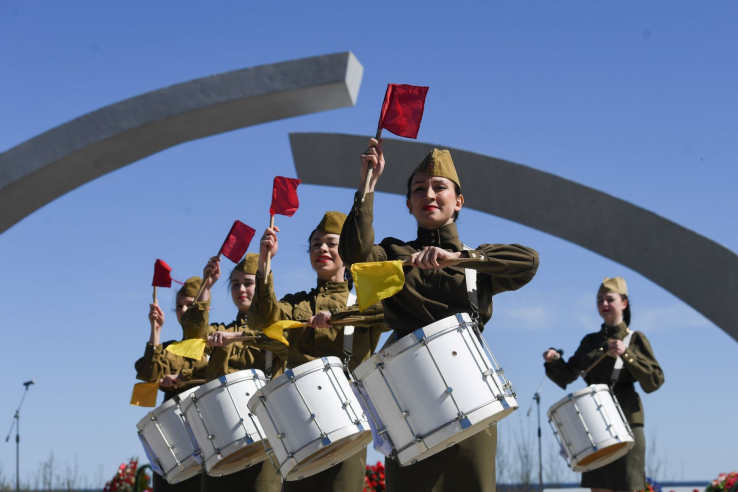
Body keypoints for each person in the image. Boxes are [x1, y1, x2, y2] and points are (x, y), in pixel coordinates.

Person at [339, 140, 539, 492]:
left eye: (439, 187)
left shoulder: (477, 260)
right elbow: (354, 256)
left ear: (458, 202)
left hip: (472, 398)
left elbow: (529, 262)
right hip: (407, 402)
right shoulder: (392, 253)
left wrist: (459, 258)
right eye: (419, 189)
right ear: (409, 205)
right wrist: (367, 186)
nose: (428, 194)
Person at [249, 211, 387, 492]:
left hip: (347, 418)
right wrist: (265, 260)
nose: (321, 249)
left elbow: (388, 311)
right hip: (299, 415)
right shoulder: (297, 303)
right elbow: (263, 320)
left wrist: (338, 315)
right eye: (315, 244)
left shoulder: (364, 298)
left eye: (331, 243)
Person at [543, 277, 664, 492]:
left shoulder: (634, 339)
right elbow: (568, 375)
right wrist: (553, 361)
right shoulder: (590, 341)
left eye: (610, 299)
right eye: (600, 300)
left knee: (630, 485)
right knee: (599, 487)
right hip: (594, 423)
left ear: (624, 304)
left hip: (628, 420)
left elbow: (654, 380)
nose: (604, 305)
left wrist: (627, 355)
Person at [181, 253, 287, 492]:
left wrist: (238, 337)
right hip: (219, 439)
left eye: (248, 283)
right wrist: (207, 286)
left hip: (264, 439)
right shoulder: (219, 331)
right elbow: (193, 336)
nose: (241, 289)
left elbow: (277, 340)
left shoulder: (277, 325)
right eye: (235, 284)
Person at [134, 276, 208, 492]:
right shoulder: (168, 348)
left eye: (190, 304)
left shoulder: (214, 342)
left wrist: (183, 378)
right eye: (179, 305)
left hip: (208, 430)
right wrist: (155, 331)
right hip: (175, 434)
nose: (183, 310)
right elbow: (149, 373)